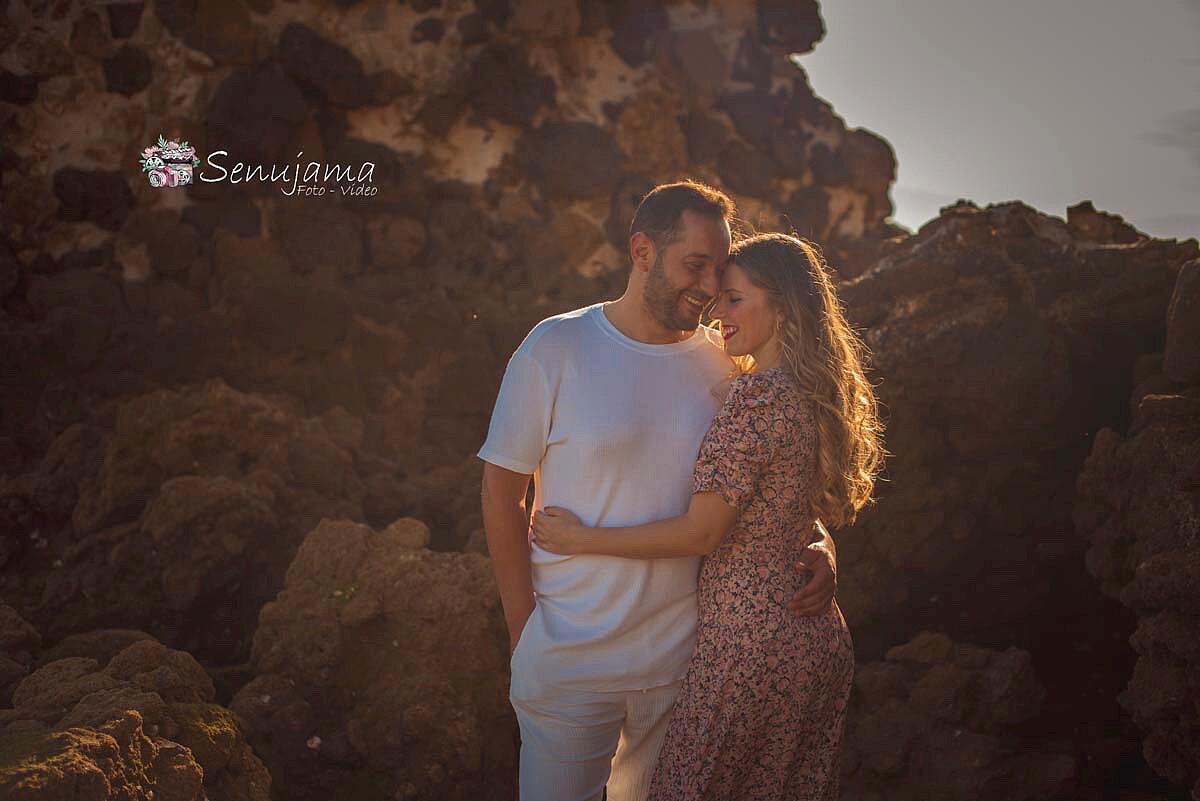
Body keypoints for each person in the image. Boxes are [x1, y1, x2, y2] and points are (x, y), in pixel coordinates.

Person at [478, 181, 840, 801]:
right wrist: (523, 628)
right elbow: (501, 488)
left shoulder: (726, 360)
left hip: (685, 668)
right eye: (693, 265)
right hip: (571, 662)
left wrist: (820, 545)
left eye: (718, 272)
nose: (706, 288)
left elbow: (773, 476)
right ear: (642, 251)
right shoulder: (556, 347)